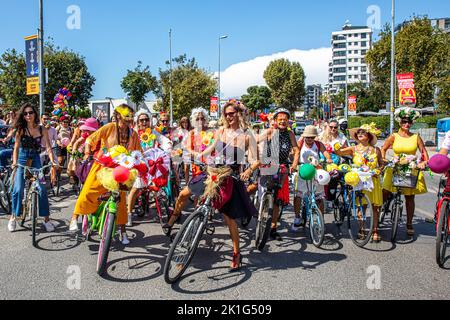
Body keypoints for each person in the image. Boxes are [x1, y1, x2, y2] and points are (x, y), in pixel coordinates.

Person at [70, 104, 141, 245]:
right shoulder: (109, 127)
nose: (129, 119)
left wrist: (142, 163)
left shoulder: (133, 134)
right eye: (126, 116)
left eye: (131, 116)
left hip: (121, 169)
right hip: (102, 166)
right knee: (88, 191)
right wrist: (86, 153)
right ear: (119, 116)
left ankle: (122, 231)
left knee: (120, 201)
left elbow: (138, 152)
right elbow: (90, 139)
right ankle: (75, 218)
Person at [8, 103, 58, 232]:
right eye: (25, 113)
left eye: (30, 112)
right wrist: (14, 162)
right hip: (22, 159)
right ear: (23, 116)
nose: (28, 115)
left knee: (42, 188)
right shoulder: (20, 129)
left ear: (35, 114)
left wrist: (53, 162)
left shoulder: (42, 129)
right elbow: (16, 148)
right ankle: (13, 217)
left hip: (35, 159)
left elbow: (48, 147)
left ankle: (46, 219)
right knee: (18, 189)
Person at [162, 108, 211, 234]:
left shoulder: (212, 133)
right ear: (194, 120)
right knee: (183, 195)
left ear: (206, 119)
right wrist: (178, 154)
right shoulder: (192, 134)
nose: (200, 120)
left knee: (199, 200)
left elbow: (220, 148)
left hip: (211, 171)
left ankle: (197, 225)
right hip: (197, 171)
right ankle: (174, 218)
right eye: (197, 118)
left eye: (202, 118)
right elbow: (185, 148)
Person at [381, 107, 429, 237]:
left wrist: (424, 162)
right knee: (385, 191)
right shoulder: (394, 136)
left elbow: (423, 151)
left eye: (409, 122)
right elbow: (383, 148)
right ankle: (379, 212)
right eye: (404, 122)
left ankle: (409, 223)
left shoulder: (416, 137)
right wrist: (384, 159)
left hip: (410, 168)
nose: (406, 124)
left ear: (412, 123)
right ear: (399, 122)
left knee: (409, 197)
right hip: (395, 166)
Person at [335, 124, 384, 242]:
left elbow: (381, 163)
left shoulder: (376, 149)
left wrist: (379, 170)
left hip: (373, 181)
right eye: (358, 133)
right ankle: (362, 229)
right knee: (360, 206)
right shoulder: (354, 149)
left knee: (375, 207)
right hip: (360, 182)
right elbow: (339, 152)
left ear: (369, 136)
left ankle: (375, 230)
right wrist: (336, 146)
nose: (360, 134)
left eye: (363, 132)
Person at [257, 108, 300, 241]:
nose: (282, 121)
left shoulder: (290, 134)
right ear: (275, 121)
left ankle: (273, 228)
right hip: (267, 166)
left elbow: (296, 150)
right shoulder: (271, 131)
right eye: (280, 119)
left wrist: (294, 165)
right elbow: (255, 141)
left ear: (288, 121)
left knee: (277, 200)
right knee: (258, 190)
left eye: (285, 120)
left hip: (282, 168)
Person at [126, 109, 172, 227]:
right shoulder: (133, 133)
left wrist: (166, 148)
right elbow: (128, 147)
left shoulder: (153, 132)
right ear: (137, 121)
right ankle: (129, 214)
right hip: (138, 164)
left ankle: (160, 210)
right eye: (142, 120)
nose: (144, 122)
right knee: (136, 188)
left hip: (152, 163)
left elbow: (164, 141)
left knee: (157, 186)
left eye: (147, 119)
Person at [292, 126, 333, 232]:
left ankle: (321, 219)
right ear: (304, 136)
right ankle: (297, 217)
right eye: (307, 137)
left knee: (320, 197)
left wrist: (328, 159)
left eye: (312, 137)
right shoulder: (300, 143)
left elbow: (325, 153)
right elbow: (294, 153)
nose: (309, 139)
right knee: (298, 195)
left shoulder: (318, 144)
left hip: (315, 171)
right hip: (302, 172)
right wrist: (294, 163)